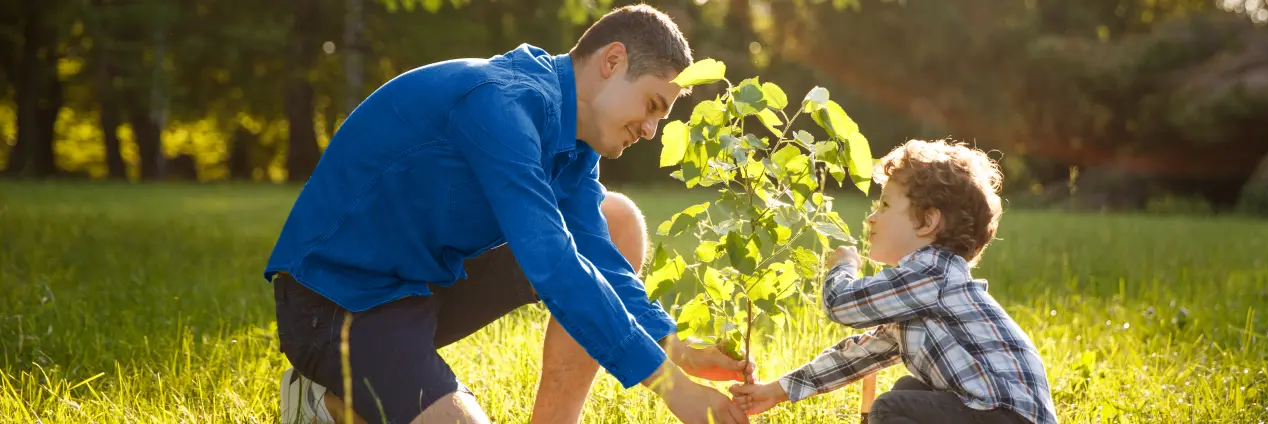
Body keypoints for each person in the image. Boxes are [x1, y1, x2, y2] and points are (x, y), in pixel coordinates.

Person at [265, 5, 752, 424]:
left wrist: (675, 348)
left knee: (615, 220)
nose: (649, 130)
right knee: (564, 259)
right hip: (337, 305)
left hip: (419, 288)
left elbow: (599, 258)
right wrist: (673, 388)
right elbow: (554, 265)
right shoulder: (502, 103)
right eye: (651, 105)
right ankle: (324, 400)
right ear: (612, 60)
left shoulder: (574, 145)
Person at [726, 139, 1058, 424]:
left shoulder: (932, 273)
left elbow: (840, 304)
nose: (871, 216)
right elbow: (856, 356)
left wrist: (843, 266)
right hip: (1000, 413)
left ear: (927, 221)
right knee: (907, 393)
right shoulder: (922, 292)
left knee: (890, 408)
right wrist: (776, 391)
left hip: (1004, 415)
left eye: (884, 205)